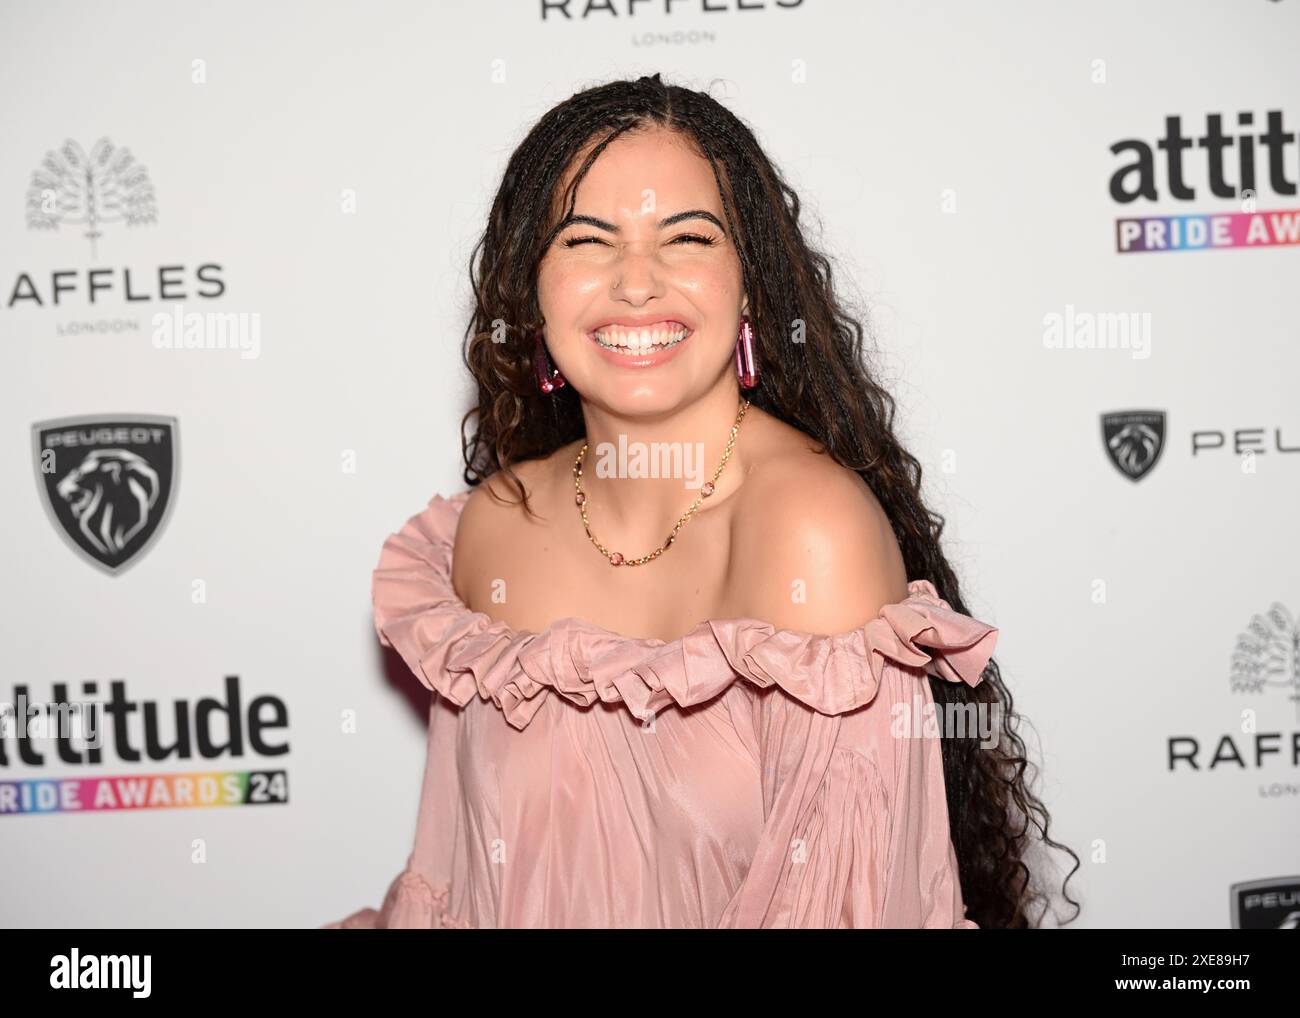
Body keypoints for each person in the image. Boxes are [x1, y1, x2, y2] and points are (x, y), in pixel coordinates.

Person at [325, 73, 1079, 929]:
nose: (635, 284)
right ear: (529, 291)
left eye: (685, 238)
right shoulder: (498, 529)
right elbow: (462, 883)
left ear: (751, 283)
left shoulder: (809, 536)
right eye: (585, 241)